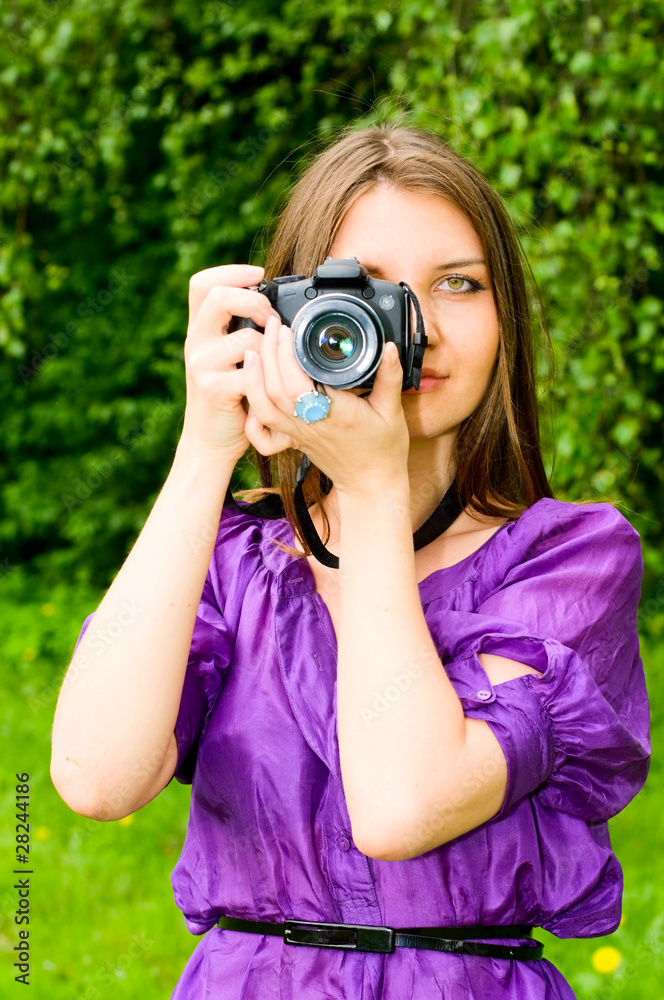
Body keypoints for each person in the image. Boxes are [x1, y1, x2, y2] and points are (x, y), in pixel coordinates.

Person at [51, 122, 651, 1000]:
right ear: (283, 314)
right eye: (363, 292)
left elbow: (404, 804)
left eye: (458, 283)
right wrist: (203, 448)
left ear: (506, 315)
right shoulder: (237, 560)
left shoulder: (568, 559)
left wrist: (371, 494)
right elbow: (95, 777)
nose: (415, 329)